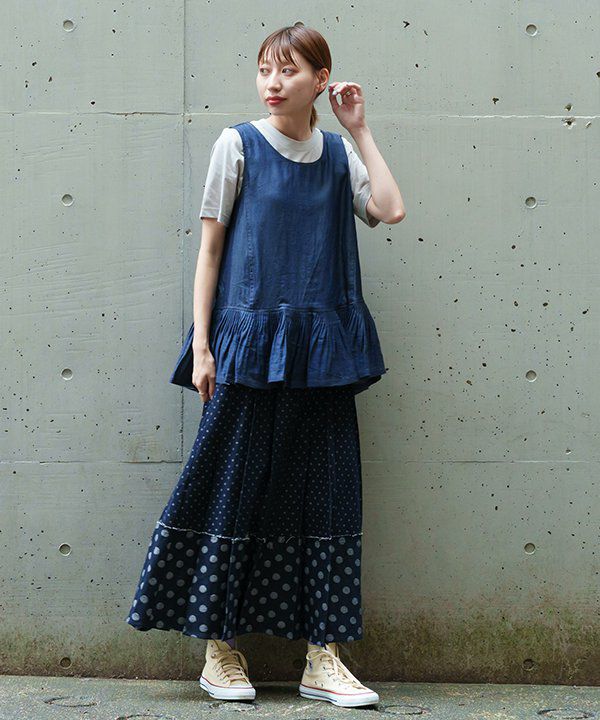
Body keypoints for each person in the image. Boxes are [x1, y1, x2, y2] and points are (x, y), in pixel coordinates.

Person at [125, 21, 405, 709]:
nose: (272, 83)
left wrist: (360, 128)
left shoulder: (339, 153)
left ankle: (323, 658)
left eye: (288, 71)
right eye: (264, 70)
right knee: (231, 488)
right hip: (248, 345)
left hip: (324, 350)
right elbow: (211, 251)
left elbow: (390, 209)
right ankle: (218, 650)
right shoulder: (238, 145)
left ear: (319, 79)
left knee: (327, 497)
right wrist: (203, 346)